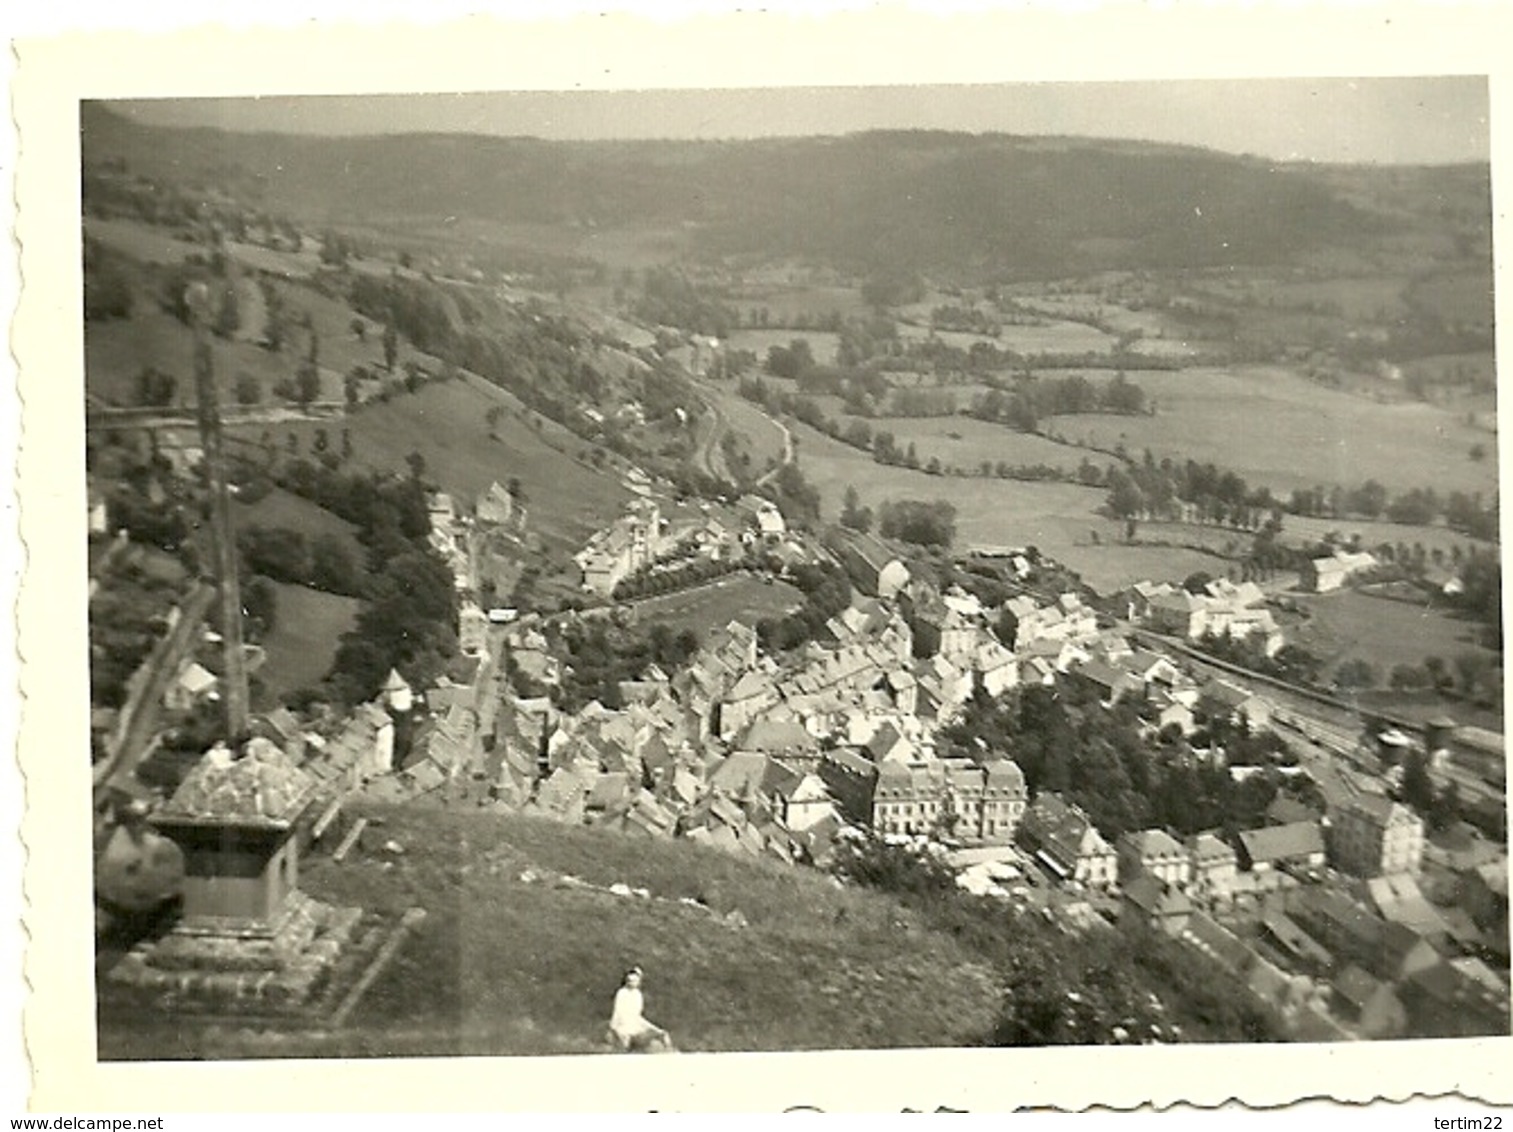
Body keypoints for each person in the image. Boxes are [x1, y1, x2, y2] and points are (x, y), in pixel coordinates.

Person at [608, 966, 672, 1052]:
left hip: (636, 1024)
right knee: (625, 1041)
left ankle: (669, 1051)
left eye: (635, 981)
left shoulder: (638, 994)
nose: (632, 983)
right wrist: (615, 1029)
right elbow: (617, 1014)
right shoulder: (622, 993)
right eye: (630, 981)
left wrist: (655, 1029)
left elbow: (637, 1016)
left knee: (662, 1033)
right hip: (623, 1026)